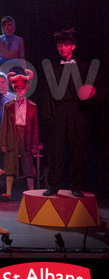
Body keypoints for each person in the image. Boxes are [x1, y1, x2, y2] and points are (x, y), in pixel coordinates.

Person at [41, 29, 99, 197]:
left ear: (73, 46)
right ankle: (53, 185)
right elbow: (46, 94)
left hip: (77, 111)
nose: (62, 48)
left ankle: (76, 186)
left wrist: (87, 104)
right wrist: (48, 116)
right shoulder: (52, 67)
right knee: (56, 150)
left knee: (76, 150)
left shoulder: (83, 67)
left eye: (66, 45)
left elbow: (96, 89)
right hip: (59, 112)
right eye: (60, 45)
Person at [0, 70, 39, 200]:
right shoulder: (8, 105)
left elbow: (35, 127)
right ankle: (8, 193)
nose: (20, 90)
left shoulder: (32, 106)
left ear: (26, 89)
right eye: (17, 88)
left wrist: (34, 145)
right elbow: (4, 125)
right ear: (14, 88)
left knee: (28, 163)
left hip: (26, 134)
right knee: (10, 162)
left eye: (22, 88)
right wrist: (3, 143)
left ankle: (31, 192)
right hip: (13, 133)